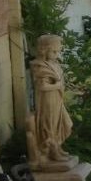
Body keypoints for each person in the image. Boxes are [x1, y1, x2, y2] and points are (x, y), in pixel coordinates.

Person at [30, 34, 73, 162]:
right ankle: (52, 150)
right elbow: (42, 86)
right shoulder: (40, 66)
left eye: (57, 51)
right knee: (49, 124)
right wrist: (58, 85)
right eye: (53, 51)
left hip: (56, 99)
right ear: (44, 50)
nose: (56, 54)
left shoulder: (54, 64)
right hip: (47, 101)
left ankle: (57, 147)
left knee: (62, 123)